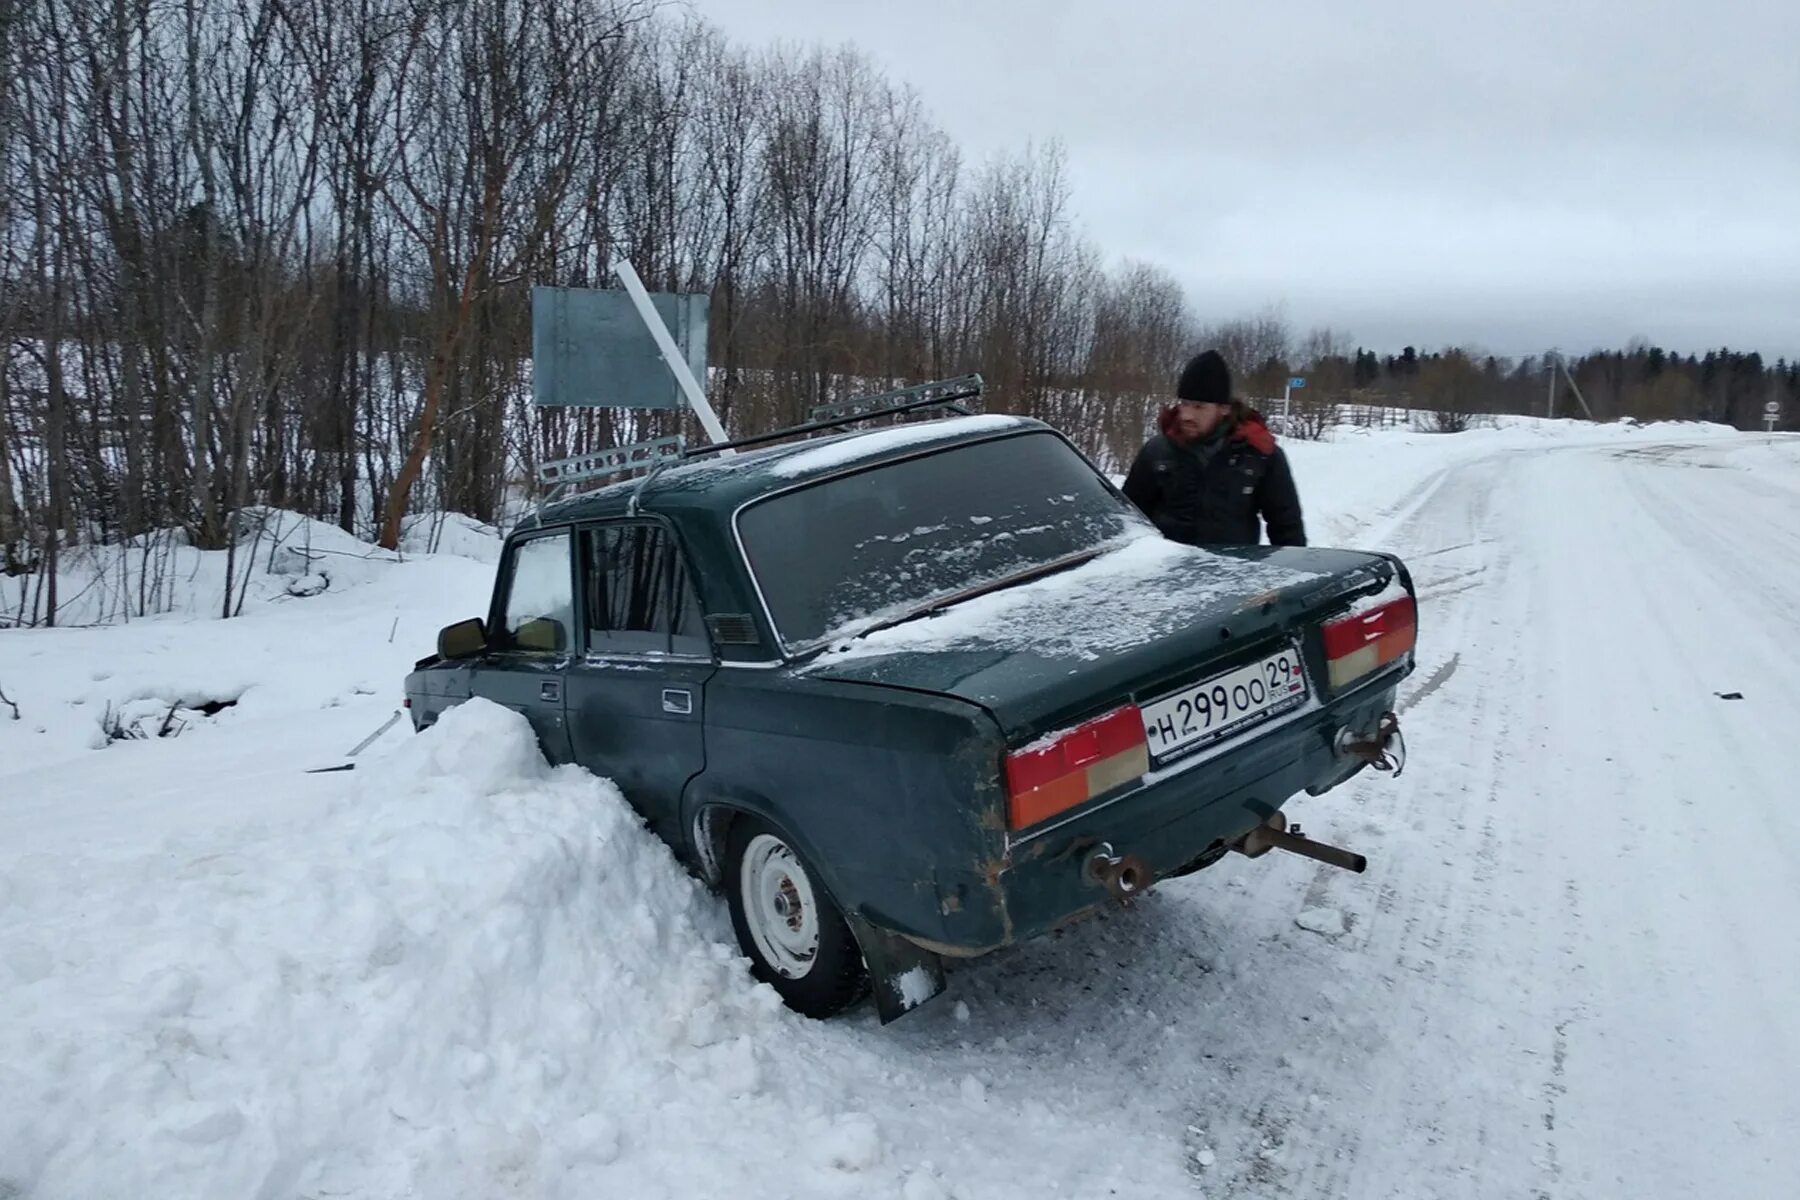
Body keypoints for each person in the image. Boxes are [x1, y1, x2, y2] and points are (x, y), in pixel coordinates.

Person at [1121, 349, 1306, 547]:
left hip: (1232, 571)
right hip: (1167, 571)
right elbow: (1128, 518)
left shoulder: (1259, 454)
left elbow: (1287, 528)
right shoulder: (1158, 451)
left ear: (1224, 409)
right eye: (1184, 403)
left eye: (1199, 407)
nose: (1186, 415)